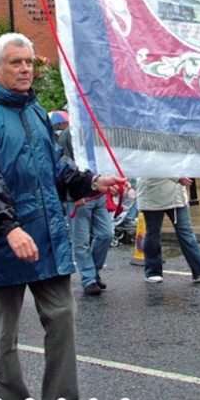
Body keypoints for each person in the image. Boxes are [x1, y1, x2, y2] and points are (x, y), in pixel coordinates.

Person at [0, 33, 125, 400]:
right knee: (5, 330)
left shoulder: (37, 113)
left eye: (29, 62)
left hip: (48, 236)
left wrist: (91, 183)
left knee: (63, 317)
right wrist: (8, 227)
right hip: (6, 241)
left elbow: (56, 169)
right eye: (16, 63)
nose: (25, 69)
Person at [58, 124, 113, 296]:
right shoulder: (68, 135)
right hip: (79, 198)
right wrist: (75, 194)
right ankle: (89, 279)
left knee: (106, 234)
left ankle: (93, 272)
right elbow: (66, 166)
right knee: (81, 240)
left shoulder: (95, 130)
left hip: (97, 193)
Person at [137, 177, 200, 284]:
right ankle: (152, 271)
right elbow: (154, 164)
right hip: (153, 192)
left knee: (186, 231)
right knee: (153, 233)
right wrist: (177, 177)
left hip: (177, 195)